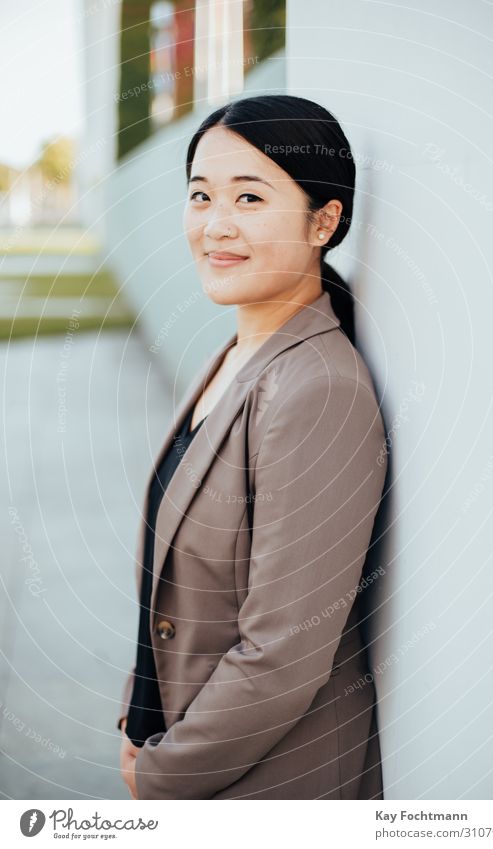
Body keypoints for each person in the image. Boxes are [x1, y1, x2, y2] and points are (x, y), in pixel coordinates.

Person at [118, 94, 388, 800]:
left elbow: (283, 653)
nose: (216, 225)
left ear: (322, 221)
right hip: (187, 744)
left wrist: (162, 773)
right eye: (200, 195)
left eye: (249, 196)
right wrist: (136, 715)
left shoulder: (316, 390)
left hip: (274, 784)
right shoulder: (238, 354)